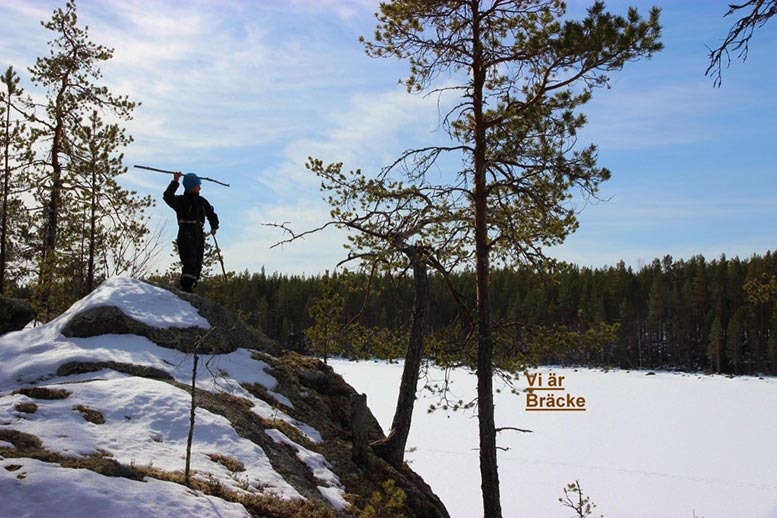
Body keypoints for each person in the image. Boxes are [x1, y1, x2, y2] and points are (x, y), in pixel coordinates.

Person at [163, 172, 219, 292]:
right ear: (191, 186)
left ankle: (192, 284)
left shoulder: (202, 201)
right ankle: (186, 287)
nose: (200, 187)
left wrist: (214, 226)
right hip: (186, 232)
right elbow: (167, 196)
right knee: (189, 260)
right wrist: (175, 181)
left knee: (198, 261)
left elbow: (211, 213)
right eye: (198, 185)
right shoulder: (181, 201)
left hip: (199, 233)